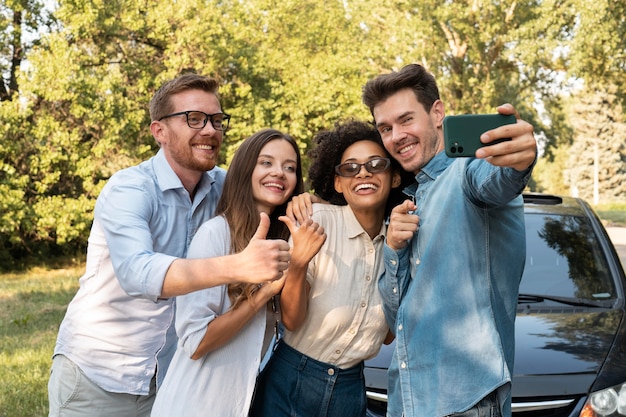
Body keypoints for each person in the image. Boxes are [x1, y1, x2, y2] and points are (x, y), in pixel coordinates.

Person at [47, 74, 295, 417]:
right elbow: (138, 272)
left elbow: (269, 186)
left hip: (172, 380)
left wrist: (303, 201)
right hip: (99, 376)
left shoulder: (225, 186)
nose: (210, 130)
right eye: (194, 118)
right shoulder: (130, 190)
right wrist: (238, 266)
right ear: (159, 131)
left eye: (217, 120)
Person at [361, 63, 537, 417]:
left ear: (437, 113)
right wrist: (394, 250)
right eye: (385, 128)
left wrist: (520, 160)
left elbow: (498, 178)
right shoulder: (414, 198)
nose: (396, 136)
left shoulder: (468, 171)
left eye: (406, 120)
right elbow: (398, 321)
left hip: (464, 404)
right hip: (410, 401)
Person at [150, 128, 326, 417]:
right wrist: (263, 295)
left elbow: (294, 320)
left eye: (290, 167)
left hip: (242, 404)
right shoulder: (216, 234)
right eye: (266, 163)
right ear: (246, 170)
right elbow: (196, 342)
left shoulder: (284, 242)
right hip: (195, 405)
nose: (279, 173)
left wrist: (314, 211)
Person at [250, 119, 412, 417]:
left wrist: (395, 254)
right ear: (338, 182)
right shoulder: (317, 222)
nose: (363, 173)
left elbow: (388, 335)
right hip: (289, 380)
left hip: (350, 390)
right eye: (350, 168)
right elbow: (292, 320)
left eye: (376, 164)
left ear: (395, 177)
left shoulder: (401, 242)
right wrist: (298, 265)